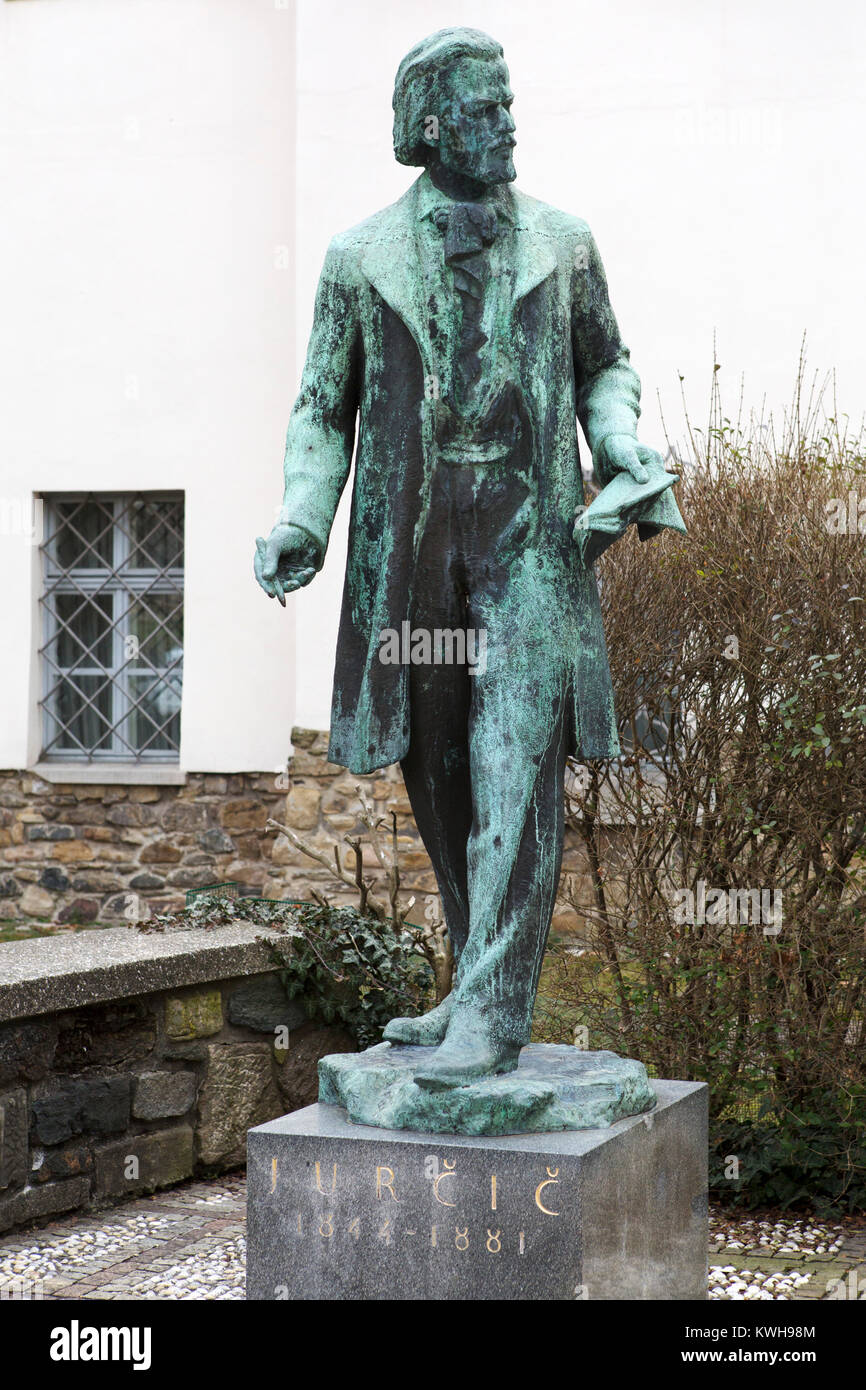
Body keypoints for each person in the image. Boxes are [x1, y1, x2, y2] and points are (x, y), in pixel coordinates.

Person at [254, 28, 683, 1089]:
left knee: (511, 765)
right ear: (433, 126)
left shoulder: (564, 242)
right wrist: (302, 520)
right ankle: (469, 982)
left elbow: (605, 368)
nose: (509, 123)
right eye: (487, 108)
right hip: (413, 553)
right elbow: (320, 412)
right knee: (441, 775)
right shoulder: (360, 259)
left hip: (529, 541)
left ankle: (492, 1010)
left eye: (508, 103)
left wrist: (619, 438)